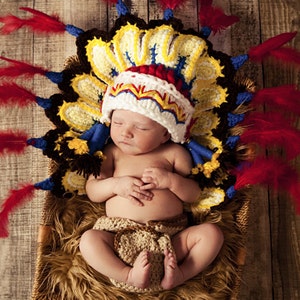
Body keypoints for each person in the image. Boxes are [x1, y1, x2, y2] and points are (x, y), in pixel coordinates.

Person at [79, 108, 224, 290]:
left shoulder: (174, 153)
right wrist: (115, 185)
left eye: (141, 127)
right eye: (117, 123)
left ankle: (181, 274)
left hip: (170, 240)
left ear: (164, 133)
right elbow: (93, 190)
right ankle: (127, 274)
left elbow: (193, 194)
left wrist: (171, 182)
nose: (125, 132)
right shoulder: (112, 153)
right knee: (89, 240)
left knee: (212, 234)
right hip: (119, 238)